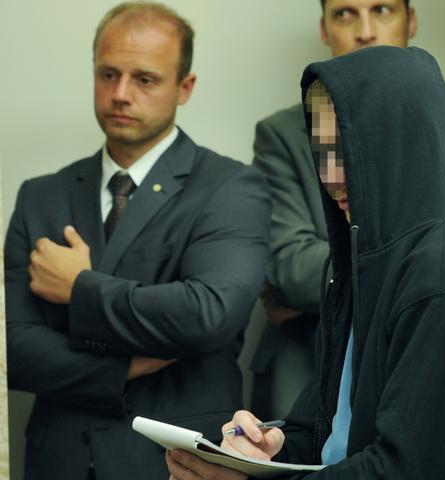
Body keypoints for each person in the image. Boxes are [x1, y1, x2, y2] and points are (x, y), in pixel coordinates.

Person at [165, 45, 445, 480]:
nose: (333, 175)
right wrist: (271, 448)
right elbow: (329, 434)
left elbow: (405, 471)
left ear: (406, 144)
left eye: (351, 150)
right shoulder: (367, 263)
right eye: (322, 151)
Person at [4, 3, 270, 479]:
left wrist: (78, 288)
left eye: (144, 79)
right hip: (57, 459)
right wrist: (126, 366)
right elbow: (17, 349)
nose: (121, 94)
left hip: (177, 463)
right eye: (108, 74)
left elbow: (208, 315)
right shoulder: (40, 195)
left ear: (184, 87)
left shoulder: (231, 187)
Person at [248, 0, 445, 421]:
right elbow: (289, 268)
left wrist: (331, 275)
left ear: (411, 20)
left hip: (423, 350)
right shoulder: (282, 132)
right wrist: (290, 284)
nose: (364, 30)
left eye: (382, 9)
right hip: (309, 362)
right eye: (345, 14)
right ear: (325, 29)